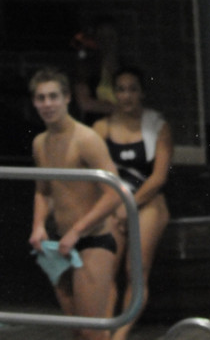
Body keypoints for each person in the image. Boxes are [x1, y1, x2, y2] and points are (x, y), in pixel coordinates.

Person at [28, 67, 122, 340]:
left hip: (92, 239)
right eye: (41, 98)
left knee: (92, 332)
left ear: (67, 98)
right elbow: (42, 190)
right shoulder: (40, 143)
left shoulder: (86, 139)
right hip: (60, 241)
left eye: (53, 97)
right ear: (34, 102)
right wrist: (38, 226)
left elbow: (114, 192)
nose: (47, 104)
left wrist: (78, 230)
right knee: (76, 331)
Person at [93, 66, 172, 340]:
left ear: (142, 93)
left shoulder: (158, 127)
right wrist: (114, 206)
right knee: (106, 270)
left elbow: (158, 178)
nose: (127, 96)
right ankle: (104, 333)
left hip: (146, 202)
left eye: (132, 89)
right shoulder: (101, 129)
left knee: (134, 270)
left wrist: (130, 206)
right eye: (121, 89)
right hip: (114, 204)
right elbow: (95, 176)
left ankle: (120, 336)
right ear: (114, 94)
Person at [72, 17, 120, 126]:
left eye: (110, 36)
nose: (107, 41)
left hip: (124, 127)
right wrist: (120, 109)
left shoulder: (124, 67)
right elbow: (84, 103)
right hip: (96, 126)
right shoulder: (86, 67)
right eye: (102, 37)